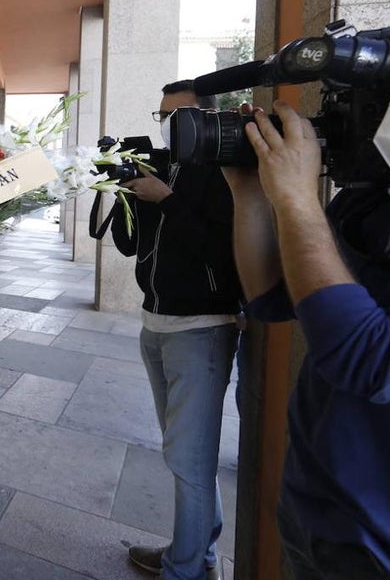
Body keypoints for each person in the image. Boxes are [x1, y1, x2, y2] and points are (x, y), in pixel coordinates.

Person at [223, 0, 390, 579]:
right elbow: (275, 297)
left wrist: (297, 199)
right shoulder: (389, 201)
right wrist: (251, 192)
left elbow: (368, 356)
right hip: (315, 518)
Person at [111, 80, 242, 580]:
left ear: (206, 120)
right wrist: (124, 191)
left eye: (180, 116)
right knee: (184, 451)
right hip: (155, 323)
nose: (169, 125)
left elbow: (222, 253)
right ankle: (198, 553)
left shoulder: (224, 171)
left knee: (188, 458)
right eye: (162, 114)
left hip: (202, 328)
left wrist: (165, 199)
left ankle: (184, 568)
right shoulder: (166, 165)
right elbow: (129, 246)